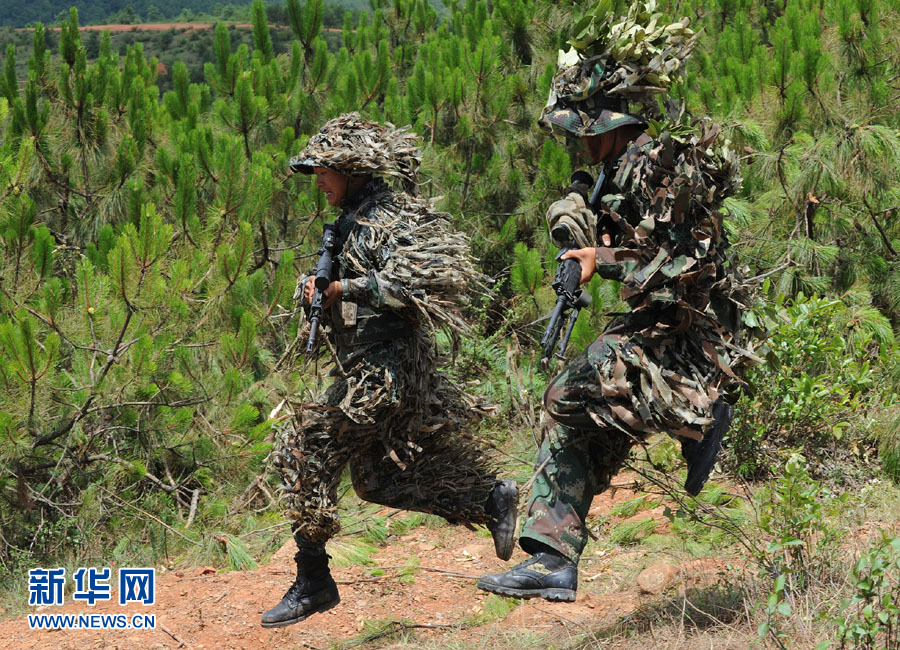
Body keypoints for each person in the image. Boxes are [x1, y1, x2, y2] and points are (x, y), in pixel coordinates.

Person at [476, 3, 760, 603]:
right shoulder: (620, 168)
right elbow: (609, 226)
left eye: (581, 127)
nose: (575, 142)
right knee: (582, 419)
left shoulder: (661, 166)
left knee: (566, 393)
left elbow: (688, 267)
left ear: (607, 120)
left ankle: (696, 413)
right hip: (660, 330)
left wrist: (598, 261)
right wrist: (575, 223)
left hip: (691, 338)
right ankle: (553, 557)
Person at [264, 113, 518, 627]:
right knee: (377, 481)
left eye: (326, 169)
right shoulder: (349, 221)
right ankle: (488, 498)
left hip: (388, 372)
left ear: (354, 168)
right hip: (366, 368)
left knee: (304, 446)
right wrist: (313, 291)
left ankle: (313, 579)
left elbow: (423, 280)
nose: (319, 180)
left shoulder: (390, 218)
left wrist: (348, 290)